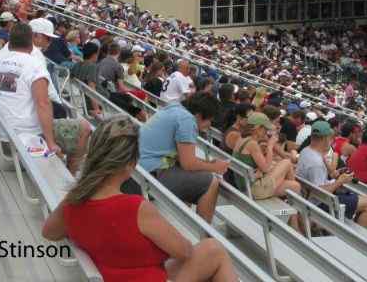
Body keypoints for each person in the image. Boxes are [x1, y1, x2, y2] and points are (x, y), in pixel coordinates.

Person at [42, 116, 238, 282]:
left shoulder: (74, 199)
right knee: (214, 250)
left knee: (209, 251)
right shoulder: (135, 208)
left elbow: (50, 232)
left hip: (114, 272)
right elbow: (185, 251)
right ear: (131, 163)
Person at [0, 22, 91, 174]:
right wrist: (51, 143)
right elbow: (43, 104)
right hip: (25, 140)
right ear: (31, 41)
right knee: (84, 128)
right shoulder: (34, 65)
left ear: (11, 40)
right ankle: (70, 176)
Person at [138, 93, 229, 223]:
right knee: (211, 182)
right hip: (149, 175)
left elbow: (183, 159)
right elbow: (188, 163)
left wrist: (208, 163)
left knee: (193, 176)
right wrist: (215, 167)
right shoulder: (187, 120)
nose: (209, 125)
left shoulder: (175, 108)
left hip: (138, 168)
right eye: (209, 120)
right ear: (199, 115)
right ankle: (205, 235)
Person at [295, 120, 367, 228]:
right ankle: (358, 243)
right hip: (318, 205)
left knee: (360, 198)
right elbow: (320, 193)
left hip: (307, 198)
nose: (331, 140)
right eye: (330, 137)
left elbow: (316, 183)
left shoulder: (306, 151)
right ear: (324, 138)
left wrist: (333, 177)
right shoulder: (316, 162)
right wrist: (339, 181)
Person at [232, 112, 300, 200]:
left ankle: (288, 205)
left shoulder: (242, 138)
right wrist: (270, 146)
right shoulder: (252, 143)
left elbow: (262, 167)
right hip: (253, 189)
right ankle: (290, 208)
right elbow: (266, 168)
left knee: (295, 185)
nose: (266, 132)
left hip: (247, 185)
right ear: (258, 128)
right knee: (287, 163)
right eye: (265, 129)